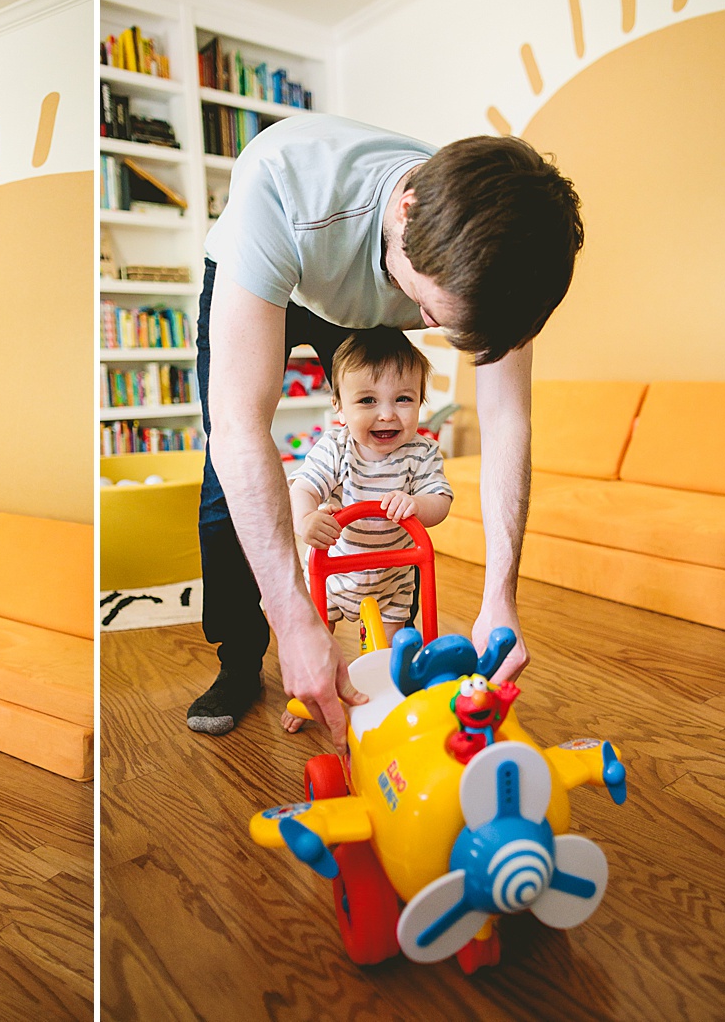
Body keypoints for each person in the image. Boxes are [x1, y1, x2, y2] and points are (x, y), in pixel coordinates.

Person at [187, 113, 583, 750]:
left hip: (370, 278)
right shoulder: (283, 187)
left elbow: (507, 418)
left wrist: (499, 599)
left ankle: (376, 632)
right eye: (429, 313)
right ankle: (240, 658)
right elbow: (240, 426)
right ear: (405, 213)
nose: (425, 326)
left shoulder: (506, 255)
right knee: (221, 478)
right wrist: (293, 622)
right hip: (277, 269)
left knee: (384, 437)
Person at [280, 329, 453, 733]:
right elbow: (303, 486)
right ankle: (308, 696)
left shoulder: (422, 452)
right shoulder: (337, 447)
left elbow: (441, 501)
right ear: (339, 406)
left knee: (390, 655)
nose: (387, 414)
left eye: (403, 399)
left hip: (393, 578)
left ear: (421, 401)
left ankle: (385, 702)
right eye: (368, 401)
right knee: (316, 643)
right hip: (335, 574)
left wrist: (418, 504)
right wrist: (306, 520)